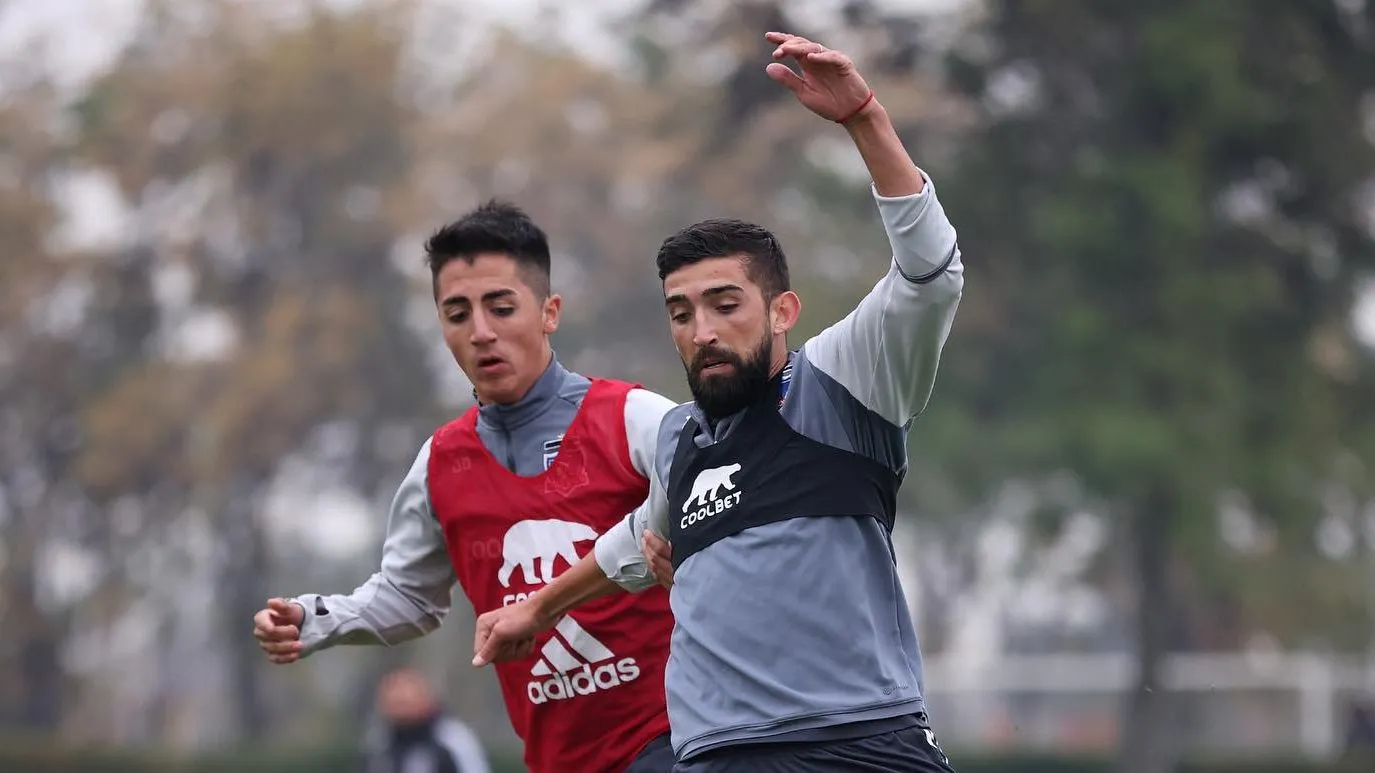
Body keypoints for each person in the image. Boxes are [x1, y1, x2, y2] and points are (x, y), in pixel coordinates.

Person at [471, 31, 964, 772]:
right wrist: (537, 608)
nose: (701, 330)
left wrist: (864, 120)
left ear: (782, 309)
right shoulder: (681, 442)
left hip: (857, 743)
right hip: (719, 755)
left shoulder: (844, 381)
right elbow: (632, 543)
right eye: (680, 312)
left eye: (725, 303)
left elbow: (930, 274)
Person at [250, 201, 679, 773]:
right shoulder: (440, 464)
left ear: (549, 312)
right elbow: (409, 597)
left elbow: (717, 510)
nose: (481, 332)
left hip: (674, 741)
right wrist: (318, 620)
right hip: (556, 760)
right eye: (457, 314)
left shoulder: (635, 418)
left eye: (501, 308)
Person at [365, 667, 492, 773]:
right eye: (393, 703)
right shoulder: (380, 744)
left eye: (404, 702)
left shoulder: (453, 737)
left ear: (425, 699)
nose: (399, 709)